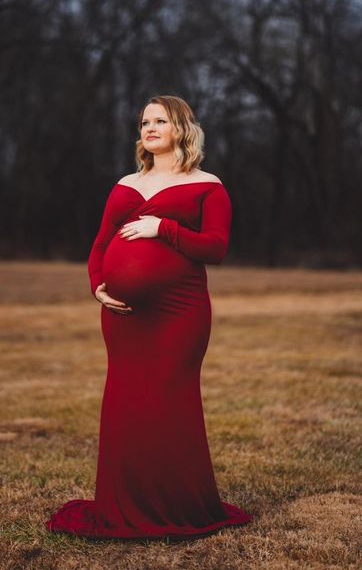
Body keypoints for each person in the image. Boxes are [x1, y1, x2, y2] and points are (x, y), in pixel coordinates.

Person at [45, 94, 253, 539]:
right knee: (125, 403)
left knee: (169, 401)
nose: (150, 128)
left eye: (160, 120)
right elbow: (99, 245)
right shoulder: (124, 184)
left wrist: (164, 228)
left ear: (182, 127)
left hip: (181, 312)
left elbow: (216, 248)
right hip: (125, 316)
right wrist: (98, 284)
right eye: (144, 123)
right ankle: (125, 505)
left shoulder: (208, 185)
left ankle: (178, 504)